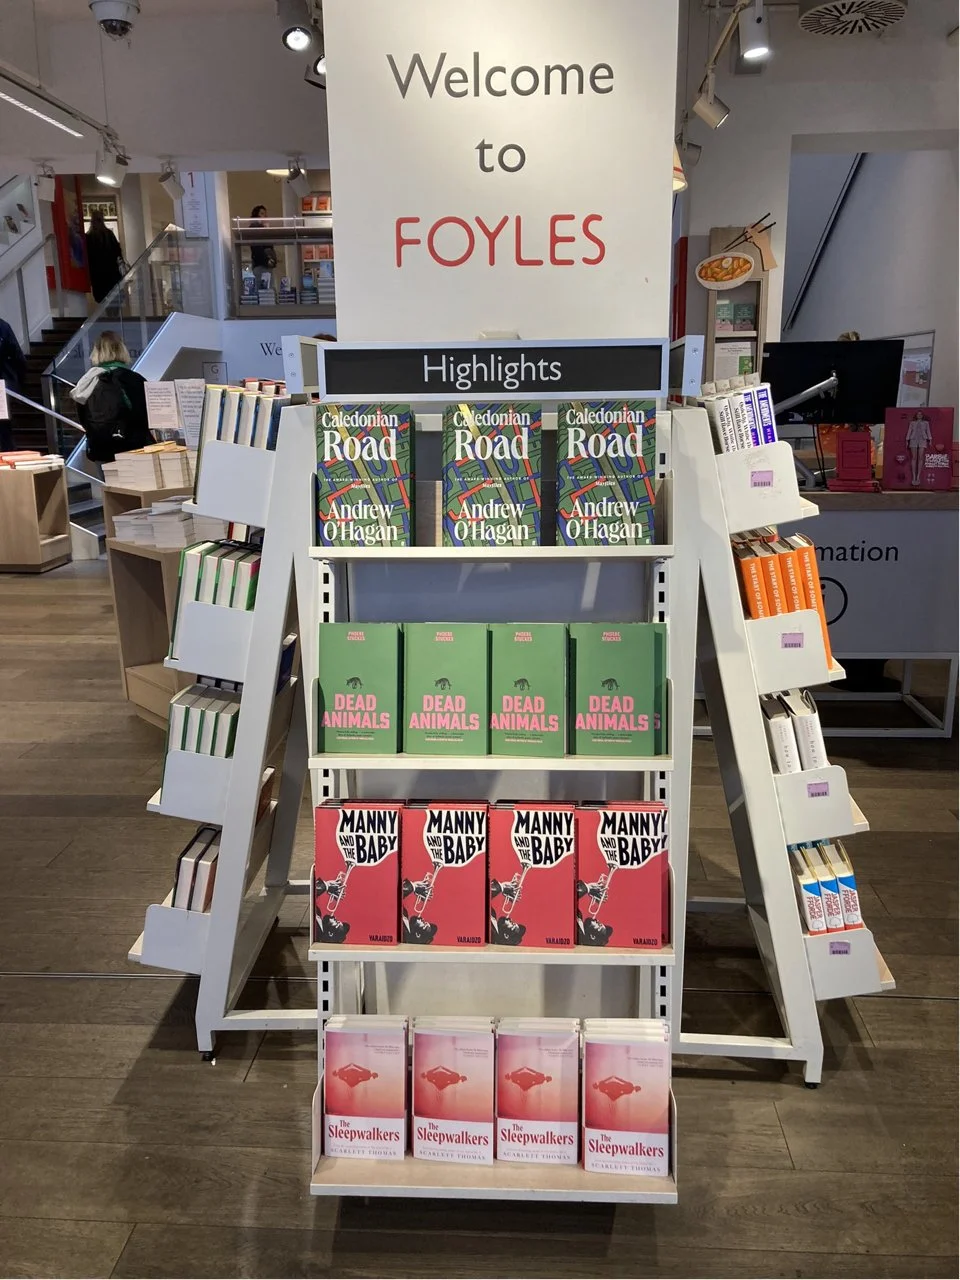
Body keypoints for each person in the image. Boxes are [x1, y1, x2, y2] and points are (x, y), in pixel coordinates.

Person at [70, 331, 153, 463]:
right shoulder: (135, 379)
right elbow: (148, 416)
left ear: (96, 352)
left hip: (101, 448)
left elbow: (83, 416)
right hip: (134, 447)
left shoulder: (88, 381)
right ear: (122, 350)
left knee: (108, 482)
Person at [85, 210, 125, 304]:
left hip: (102, 275)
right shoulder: (106, 235)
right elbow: (117, 252)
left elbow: (117, 252)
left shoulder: (91, 237)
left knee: (106, 300)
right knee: (109, 300)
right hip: (105, 275)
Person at [249, 205, 277, 272]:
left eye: (265, 214)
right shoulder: (255, 228)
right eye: (262, 214)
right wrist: (267, 261)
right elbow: (257, 248)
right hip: (262, 264)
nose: (265, 216)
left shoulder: (259, 228)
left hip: (264, 263)